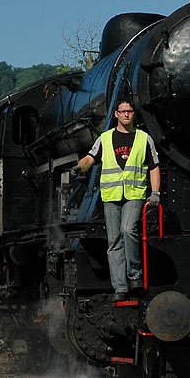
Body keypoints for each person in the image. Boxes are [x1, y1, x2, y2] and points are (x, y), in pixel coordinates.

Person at [70, 100, 161, 301]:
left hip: (134, 194)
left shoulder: (144, 139)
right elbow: (90, 158)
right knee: (114, 241)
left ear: (133, 114)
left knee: (128, 230)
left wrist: (155, 192)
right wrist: (79, 167)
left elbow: (154, 166)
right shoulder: (105, 138)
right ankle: (120, 287)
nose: (127, 114)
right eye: (123, 111)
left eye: (130, 111)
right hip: (111, 195)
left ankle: (135, 276)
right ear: (116, 115)